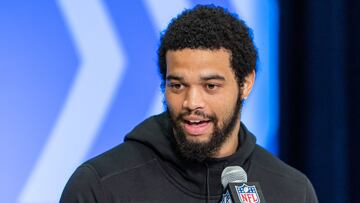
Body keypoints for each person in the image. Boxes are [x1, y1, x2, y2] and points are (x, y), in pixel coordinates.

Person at [60, 5, 318, 203]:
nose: (192, 103)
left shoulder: (291, 191)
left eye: (210, 86)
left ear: (245, 83)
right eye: (178, 85)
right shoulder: (100, 186)